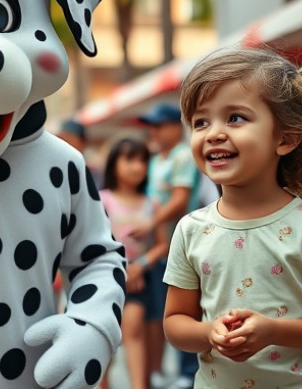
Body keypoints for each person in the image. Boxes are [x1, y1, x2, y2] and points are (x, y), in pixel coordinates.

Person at [163, 47, 302, 387]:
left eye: (235, 118)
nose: (213, 133)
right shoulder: (190, 230)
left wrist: (274, 331)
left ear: (285, 138)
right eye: (200, 122)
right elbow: (175, 322)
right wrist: (208, 332)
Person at [133, 102, 201, 389]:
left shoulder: (182, 155)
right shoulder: (155, 157)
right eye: (152, 126)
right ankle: (164, 371)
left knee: (182, 309)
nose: (154, 131)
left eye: (159, 125)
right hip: (158, 247)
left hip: (180, 243)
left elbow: (180, 199)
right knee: (160, 311)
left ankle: (188, 372)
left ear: (176, 127)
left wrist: (150, 222)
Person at [98, 138, 168, 389]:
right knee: (103, 337)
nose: (137, 167)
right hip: (106, 279)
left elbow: (162, 244)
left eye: (142, 161)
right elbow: (94, 241)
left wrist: (140, 264)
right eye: (129, 159)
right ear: (113, 163)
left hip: (138, 281)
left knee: (135, 327)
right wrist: (122, 267)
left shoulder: (152, 204)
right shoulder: (102, 200)